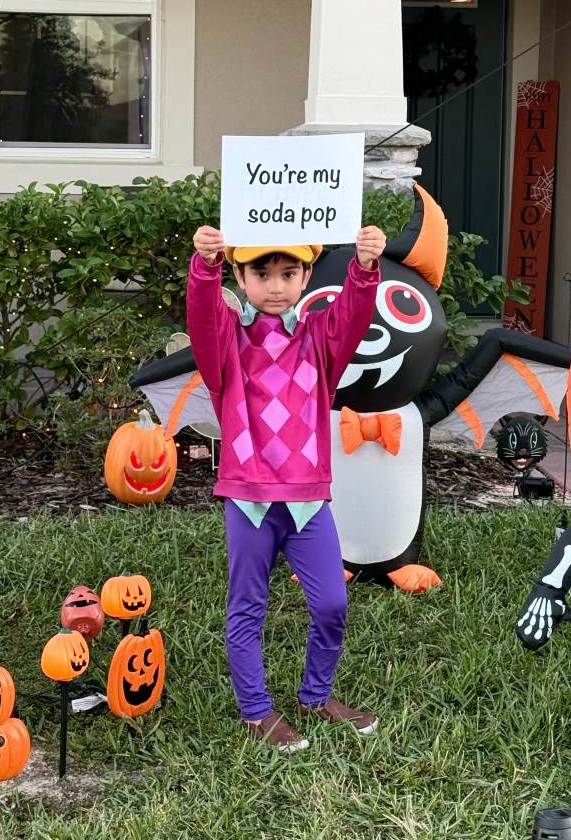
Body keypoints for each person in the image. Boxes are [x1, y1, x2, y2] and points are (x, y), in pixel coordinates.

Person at [188, 224, 386, 753]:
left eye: (288, 273)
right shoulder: (227, 337)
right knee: (247, 606)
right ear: (240, 275)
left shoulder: (320, 336)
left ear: (304, 276)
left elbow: (353, 316)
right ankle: (256, 711)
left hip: (306, 501)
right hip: (249, 500)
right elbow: (203, 319)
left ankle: (315, 697)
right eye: (261, 273)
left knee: (332, 604)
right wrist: (204, 265)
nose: (275, 286)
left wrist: (365, 268)